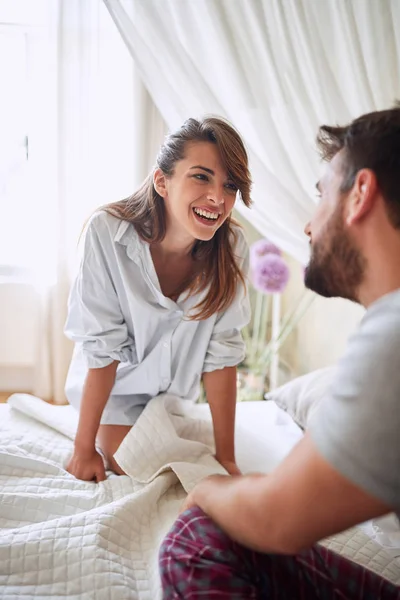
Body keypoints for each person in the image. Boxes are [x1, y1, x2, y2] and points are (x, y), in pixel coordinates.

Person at [159, 106, 400, 599]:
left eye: (319, 196)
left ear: (360, 195)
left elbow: (276, 519)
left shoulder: (394, 334)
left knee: (197, 536)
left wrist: (208, 489)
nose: (308, 227)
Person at [64, 117, 252, 482]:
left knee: (186, 468)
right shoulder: (107, 233)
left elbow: (222, 355)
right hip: (117, 391)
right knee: (129, 462)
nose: (218, 197)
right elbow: (103, 350)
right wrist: (83, 449)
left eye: (230, 185)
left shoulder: (232, 248)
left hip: (172, 400)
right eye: (201, 176)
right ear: (162, 182)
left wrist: (226, 458)